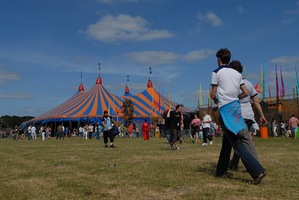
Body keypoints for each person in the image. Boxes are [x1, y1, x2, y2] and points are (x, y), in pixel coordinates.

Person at [211, 48, 266, 184]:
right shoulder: (237, 74)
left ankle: (257, 171)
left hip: (225, 109)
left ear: (219, 59)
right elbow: (246, 92)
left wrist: (217, 101)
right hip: (236, 107)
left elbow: (212, 94)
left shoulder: (216, 72)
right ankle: (221, 171)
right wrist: (236, 96)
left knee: (236, 142)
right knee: (227, 140)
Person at [229, 60, 268, 171]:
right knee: (243, 140)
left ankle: (255, 166)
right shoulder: (249, 83)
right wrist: (261, 115)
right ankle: (234, 163)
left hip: (237, 114)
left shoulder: (233, 84)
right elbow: (256, 101)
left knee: (241, 141)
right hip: (249, 115)